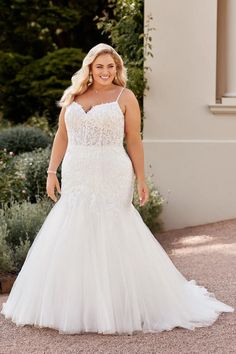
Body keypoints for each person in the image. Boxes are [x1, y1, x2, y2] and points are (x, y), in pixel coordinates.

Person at [1, 43, 234, 335]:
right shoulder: (73, 95)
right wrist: (51, 171)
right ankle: (77, 305)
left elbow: (133, 140)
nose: (105, 72)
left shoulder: (126, 97)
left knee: (114, 229)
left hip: (111, 170)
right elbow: (62, 135)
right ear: (89, 68)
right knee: (74, 229)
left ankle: (120, 305)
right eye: (99, 66)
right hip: (76, 170)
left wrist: (141, 178)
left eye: (110, 66)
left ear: (117, 68)